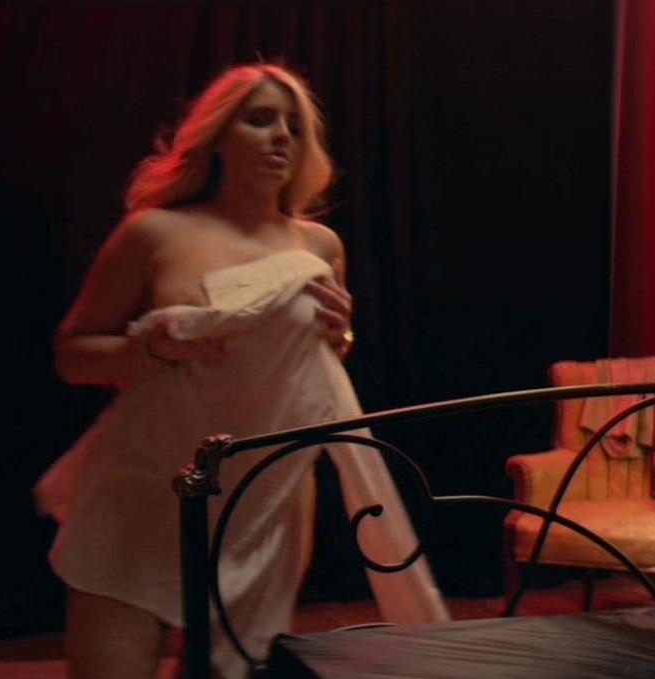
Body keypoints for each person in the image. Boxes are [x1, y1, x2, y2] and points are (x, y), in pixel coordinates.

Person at [37, 63, 446, 679]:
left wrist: (342, 334)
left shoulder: (319, 246)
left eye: (295, 127)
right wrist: (154, 348)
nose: (282, 136)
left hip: (261, 505)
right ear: (217, 138)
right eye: (260, 120)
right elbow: (72, 355)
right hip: (145, 488)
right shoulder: (155, 232)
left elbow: (314, 367)